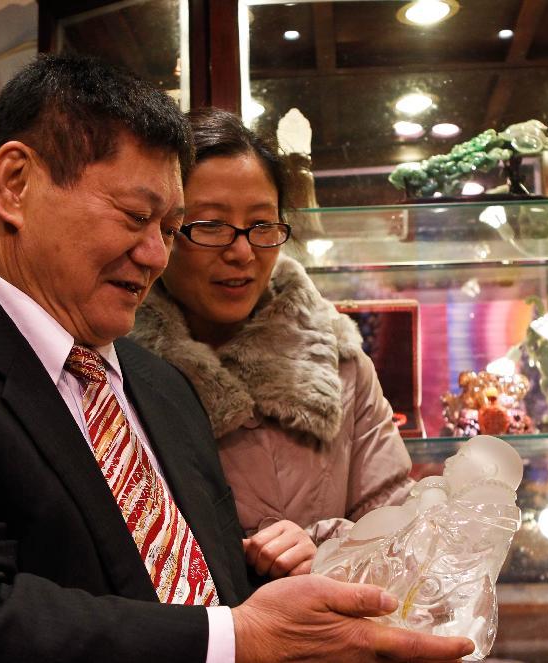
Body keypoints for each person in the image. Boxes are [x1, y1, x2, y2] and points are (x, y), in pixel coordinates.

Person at [0, 54, 473, 663]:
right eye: (136, 217)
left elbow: (211, 588)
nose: (154, 255)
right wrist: (240, 637)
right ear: (16, 184)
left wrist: (288, 589)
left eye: (170, 229)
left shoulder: (161, 386)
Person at [130, 107, 415, 580]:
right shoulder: (112, 370)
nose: (242, 251)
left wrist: (323, 549)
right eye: (210, 225)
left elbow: (401, 536)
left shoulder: (340, 366)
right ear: (165, 230)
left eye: (262, 225)